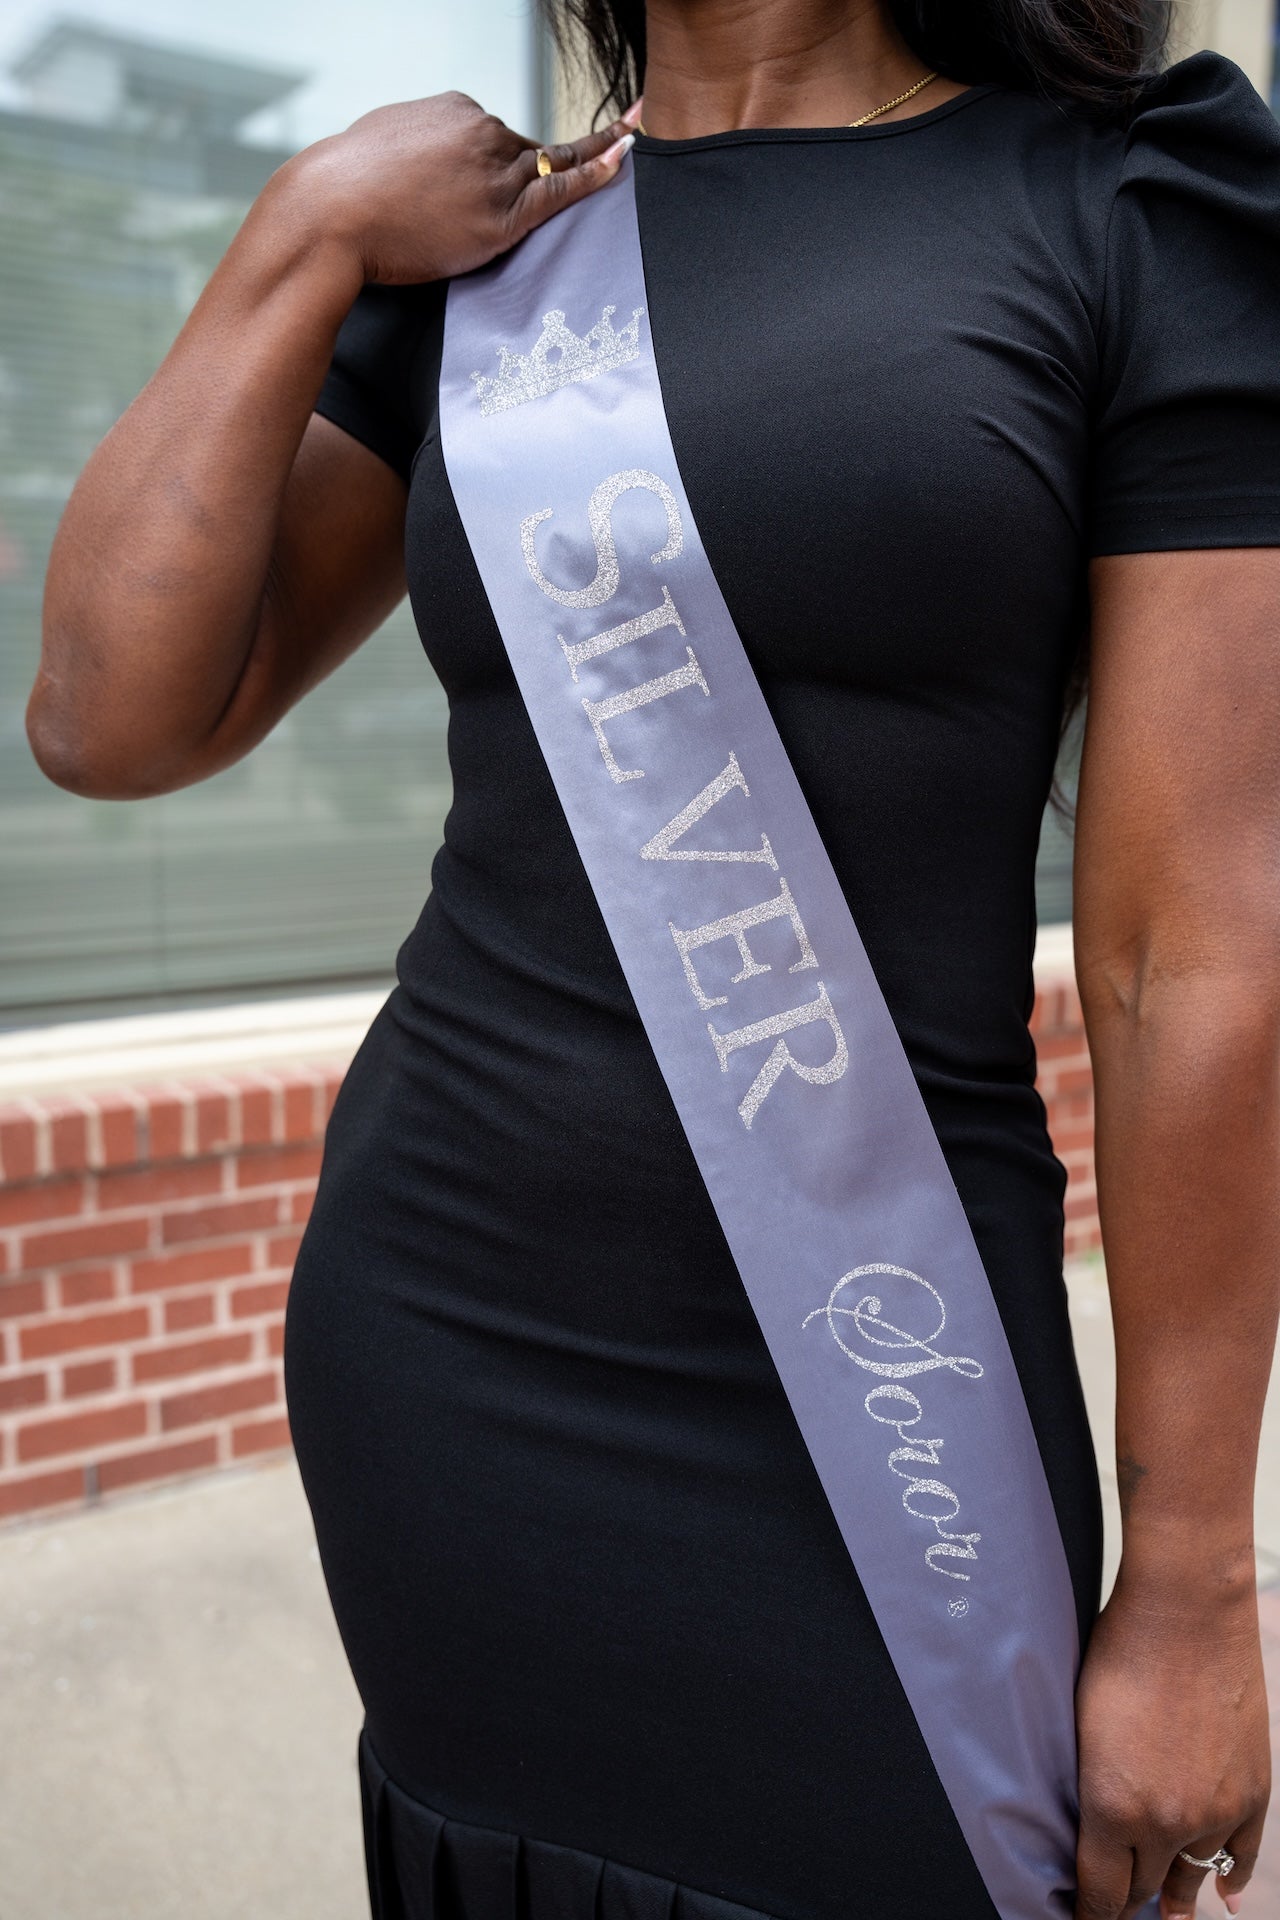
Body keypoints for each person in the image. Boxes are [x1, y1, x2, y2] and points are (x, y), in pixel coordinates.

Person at [29, 1, 1280, 1915]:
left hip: (886, 1394)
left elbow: (1188, 951)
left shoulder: (1128, 204)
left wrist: (1192, 1581)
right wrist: (308, 226)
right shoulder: (488, 245)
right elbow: (111, 718)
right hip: (446, 1344)